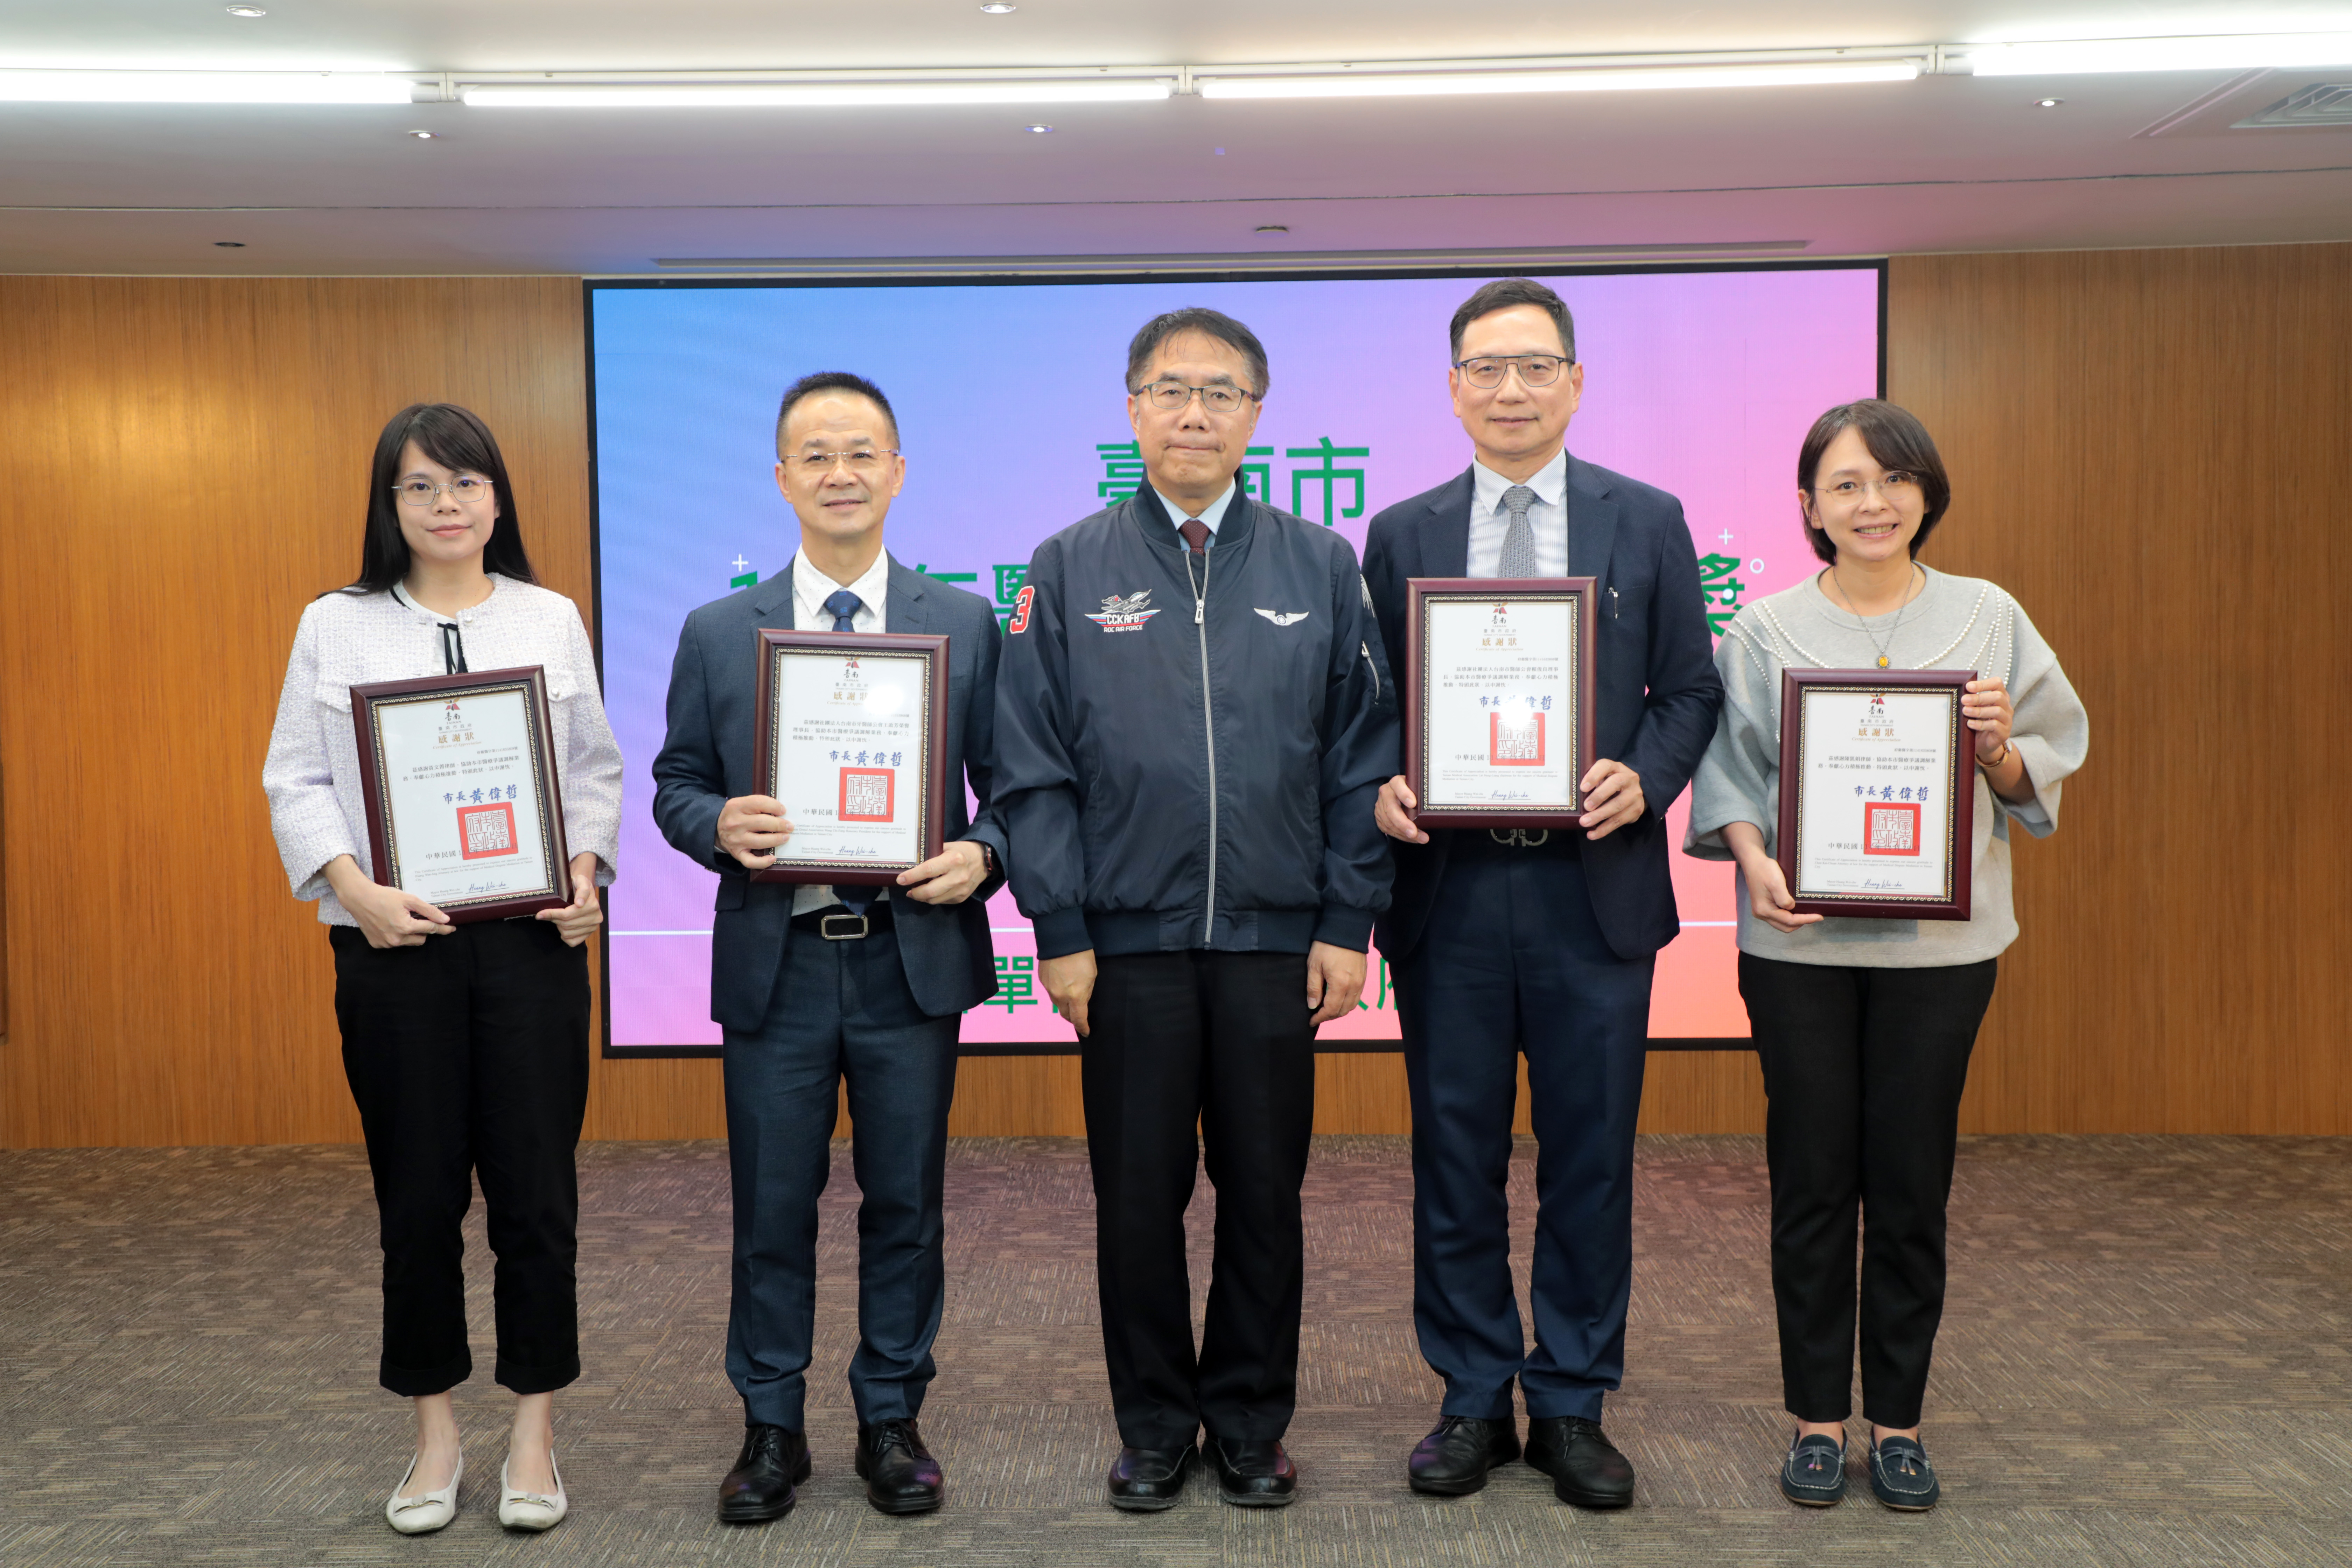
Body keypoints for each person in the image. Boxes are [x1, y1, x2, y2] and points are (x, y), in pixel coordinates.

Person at [992, 307, 1398, 1511]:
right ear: (1131, 412)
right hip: (1127, 949)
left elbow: (1361, 757)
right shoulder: (1068, 567)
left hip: (1280, 942)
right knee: (1140, 1196)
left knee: (1267, 1194)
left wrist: (1347, 920)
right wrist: (1058, 929)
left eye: (1222, 392)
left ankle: (1252, 1422)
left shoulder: (1321, 565)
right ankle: (1158, 1424)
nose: (1194, 413)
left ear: (1257, 418)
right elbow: (1029, 765)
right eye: (1170, 390)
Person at [1684, 398, 2086, 1511]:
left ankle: (1899, 1424)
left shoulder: (1988, 616)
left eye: (1894, 481)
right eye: (1848, 485)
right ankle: (1818, 1421)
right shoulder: (1762, 628)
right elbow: (1731, 775)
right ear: (1809, 505)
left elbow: (2039, 768)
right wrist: (1754, 862)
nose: (1874, 503)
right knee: (1812, 1183)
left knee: (1911, 1187)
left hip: (1940, 954)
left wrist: (2002, 751)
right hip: (1798, 949)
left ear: (1927, 494)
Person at [1362, 278, 1723, 1506]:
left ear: (1575, 381)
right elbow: (1368, 711)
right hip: (1449, 893)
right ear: (1452, 387)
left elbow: (1689, 691)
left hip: (1594, 895)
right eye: (1484, 369)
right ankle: (1471, 1396)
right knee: (1453, 1152)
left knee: (1589, 1159)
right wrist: (1383, 785)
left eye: (1533, 368)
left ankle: (1571, 1400)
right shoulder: (1402, 531)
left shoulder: (1647, 517)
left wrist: (1650, 775)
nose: (1509, 391)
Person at [650, 372, 1009, 1524]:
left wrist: (986, 855)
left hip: (913, 960)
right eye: (816, 455)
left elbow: (1019, 788)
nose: (840, 473)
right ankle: (770, 1427)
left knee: (908, 1200)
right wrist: (717, 826)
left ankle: (892, 1417)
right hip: (781, 962)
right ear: (781, 479)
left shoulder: (962, 621)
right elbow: (677, 785)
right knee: (772, 1203)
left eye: (862, 453)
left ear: (899, 472)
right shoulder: (720, 630)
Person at [262, 403, 621, 1536]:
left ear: (499, 499)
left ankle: (533, 1432)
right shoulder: (337, 624)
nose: (448, 504)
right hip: (392, 953)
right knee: (416, 1201)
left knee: (536, 1199)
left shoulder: (549, 618)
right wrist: (353, 891)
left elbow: (594, 770)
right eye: (422, 487)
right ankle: (433, 1437)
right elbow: (295, 779)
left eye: (467, 483)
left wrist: (586, 869)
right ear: (391, 506)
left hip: (529, 954)